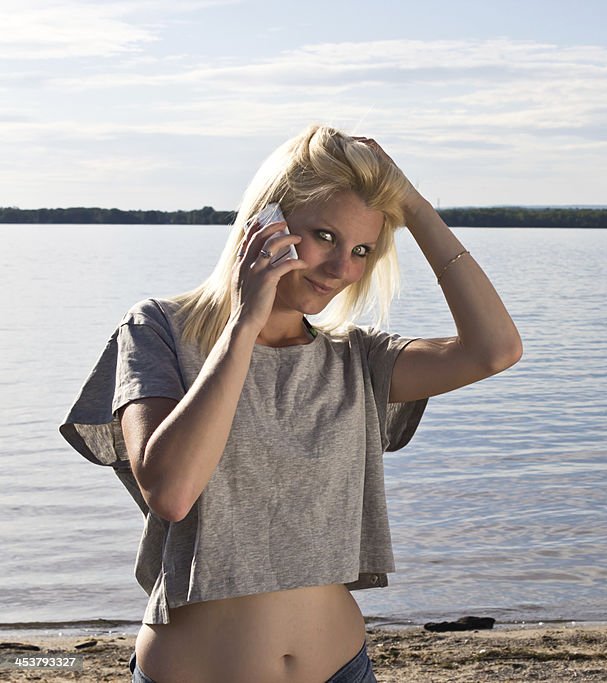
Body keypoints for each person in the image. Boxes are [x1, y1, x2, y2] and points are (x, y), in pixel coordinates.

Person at [59, 124, 522, 683]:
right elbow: (172, 492)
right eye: (325, 236)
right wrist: (244, 324)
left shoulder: (357, 358)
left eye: (362, 250)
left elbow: (495, 350)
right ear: (264, 223)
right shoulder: (159, 329)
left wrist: (414, 207)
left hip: (343, 670)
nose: (343, 270)